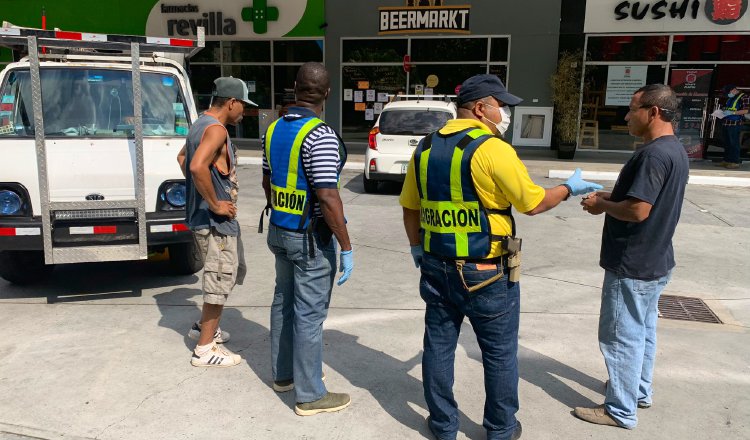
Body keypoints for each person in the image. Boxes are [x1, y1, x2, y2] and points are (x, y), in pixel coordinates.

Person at [399, 74, 603, 440]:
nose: (505, 113)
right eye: (501, 105)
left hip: (435, 264)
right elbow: (535, 203)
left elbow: (410, 208)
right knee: (499, 353)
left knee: (438, 347)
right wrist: (568, 188)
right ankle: (501, 429)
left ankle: (444, 426)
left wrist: (417, 247)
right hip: (486, 271)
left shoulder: (426, 147)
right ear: (481, 108)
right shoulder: (493, 149)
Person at [574, 84, 689, 429]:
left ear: (653, 112)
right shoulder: (674, 151)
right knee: (642, 330)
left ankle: (620, 410)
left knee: (620, 336)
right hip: (655, 260)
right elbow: (642, 198)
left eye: (632, 108)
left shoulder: (653, 155)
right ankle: (638, 391)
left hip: (633, 264)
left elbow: (638, 210)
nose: (626, 116)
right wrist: (608, 196)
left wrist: (601, 207)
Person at [261, 62, 354, 416]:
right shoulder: (321, 136)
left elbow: (268, 184)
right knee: (309, 315)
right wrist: (345, 245)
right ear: (327, 94)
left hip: (280, 231)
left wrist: (282, 212)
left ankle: (284, 375)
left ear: (295, 88)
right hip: (310, 240)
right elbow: (328, 197)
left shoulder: (272, 131)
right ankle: (311, 394)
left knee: (283, 303)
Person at [176, 77, 254, 367]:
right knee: (219, 280)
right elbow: (196, 166)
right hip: (215, 223)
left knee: (225, 274)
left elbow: (183, 158)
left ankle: (204, 327)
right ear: (231, 102)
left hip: (202, 219)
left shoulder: (199, 124)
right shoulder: (217, 129)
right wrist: (214, 202)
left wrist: (203, 190)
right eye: (243, 106)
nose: (243, 112)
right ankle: (205, 348)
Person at [716, 84, 747, 169]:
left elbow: (746, 110)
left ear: (733, 90)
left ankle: (734, 161)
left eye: (728, 92)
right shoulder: (731, 98)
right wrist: (722, 111)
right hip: (726, 122)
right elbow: (728, 108)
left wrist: (732, 113)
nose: (727, 95)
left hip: (735, 124)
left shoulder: (744, 97)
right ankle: (726, 160)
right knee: (727, 143)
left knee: (734, 143)